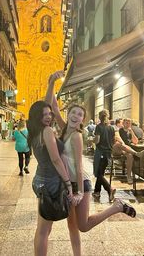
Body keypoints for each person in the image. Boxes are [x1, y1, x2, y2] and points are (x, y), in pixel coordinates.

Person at [46, 71, 137, 256]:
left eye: (79, 114)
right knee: (71, 225)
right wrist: (51, 82)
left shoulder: (78, 136)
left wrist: (79, 191)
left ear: (82, 119)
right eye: (73, 112)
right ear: (68, 114)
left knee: (83, 225)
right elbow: (52, 106)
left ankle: (117, 207)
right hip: (67, 184)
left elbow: (79, 167)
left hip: (81, 183)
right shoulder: (64, 130)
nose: (75, 116)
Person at [27, 100, 75, 256]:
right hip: (50, 182)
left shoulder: (36, 132)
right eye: (43, 114)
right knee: (43, 229)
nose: (48, 116)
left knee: (44, 228)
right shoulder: (46, 131)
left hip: (40, 179)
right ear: (37, 116)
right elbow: (56, 159)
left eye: (49, 113)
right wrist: (68, 183)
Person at [112, 118, 141, 184]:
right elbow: (117, 140)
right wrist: (124, 145)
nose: (128, 124)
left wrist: (132, 132)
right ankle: (136, 153)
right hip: (119, 148)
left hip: (127, 150)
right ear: (123, 123)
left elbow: (136, 142)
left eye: (129, 123)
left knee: (130, 156)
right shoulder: (119, 130)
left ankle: (129, 176)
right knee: (118, 143)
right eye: (126, 122)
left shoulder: (130, 131)